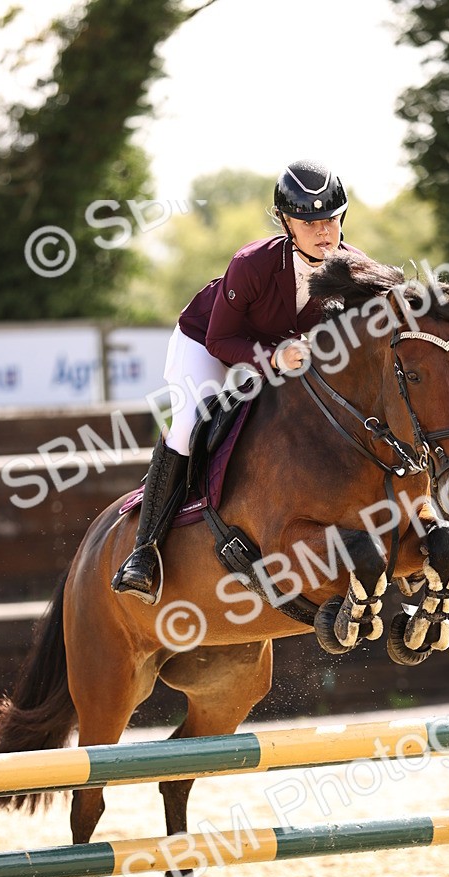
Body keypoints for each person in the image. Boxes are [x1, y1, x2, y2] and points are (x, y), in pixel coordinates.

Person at [112, 158, 360, 604]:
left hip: (282, 353)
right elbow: (220, 339)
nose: (323, 232)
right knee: (188, 425)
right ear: (286, 222)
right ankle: (144, 551)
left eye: (331, 219)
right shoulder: (251, 263)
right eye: (309, 222)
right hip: (207, 341)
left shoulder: (353, 269)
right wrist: (272, 358)